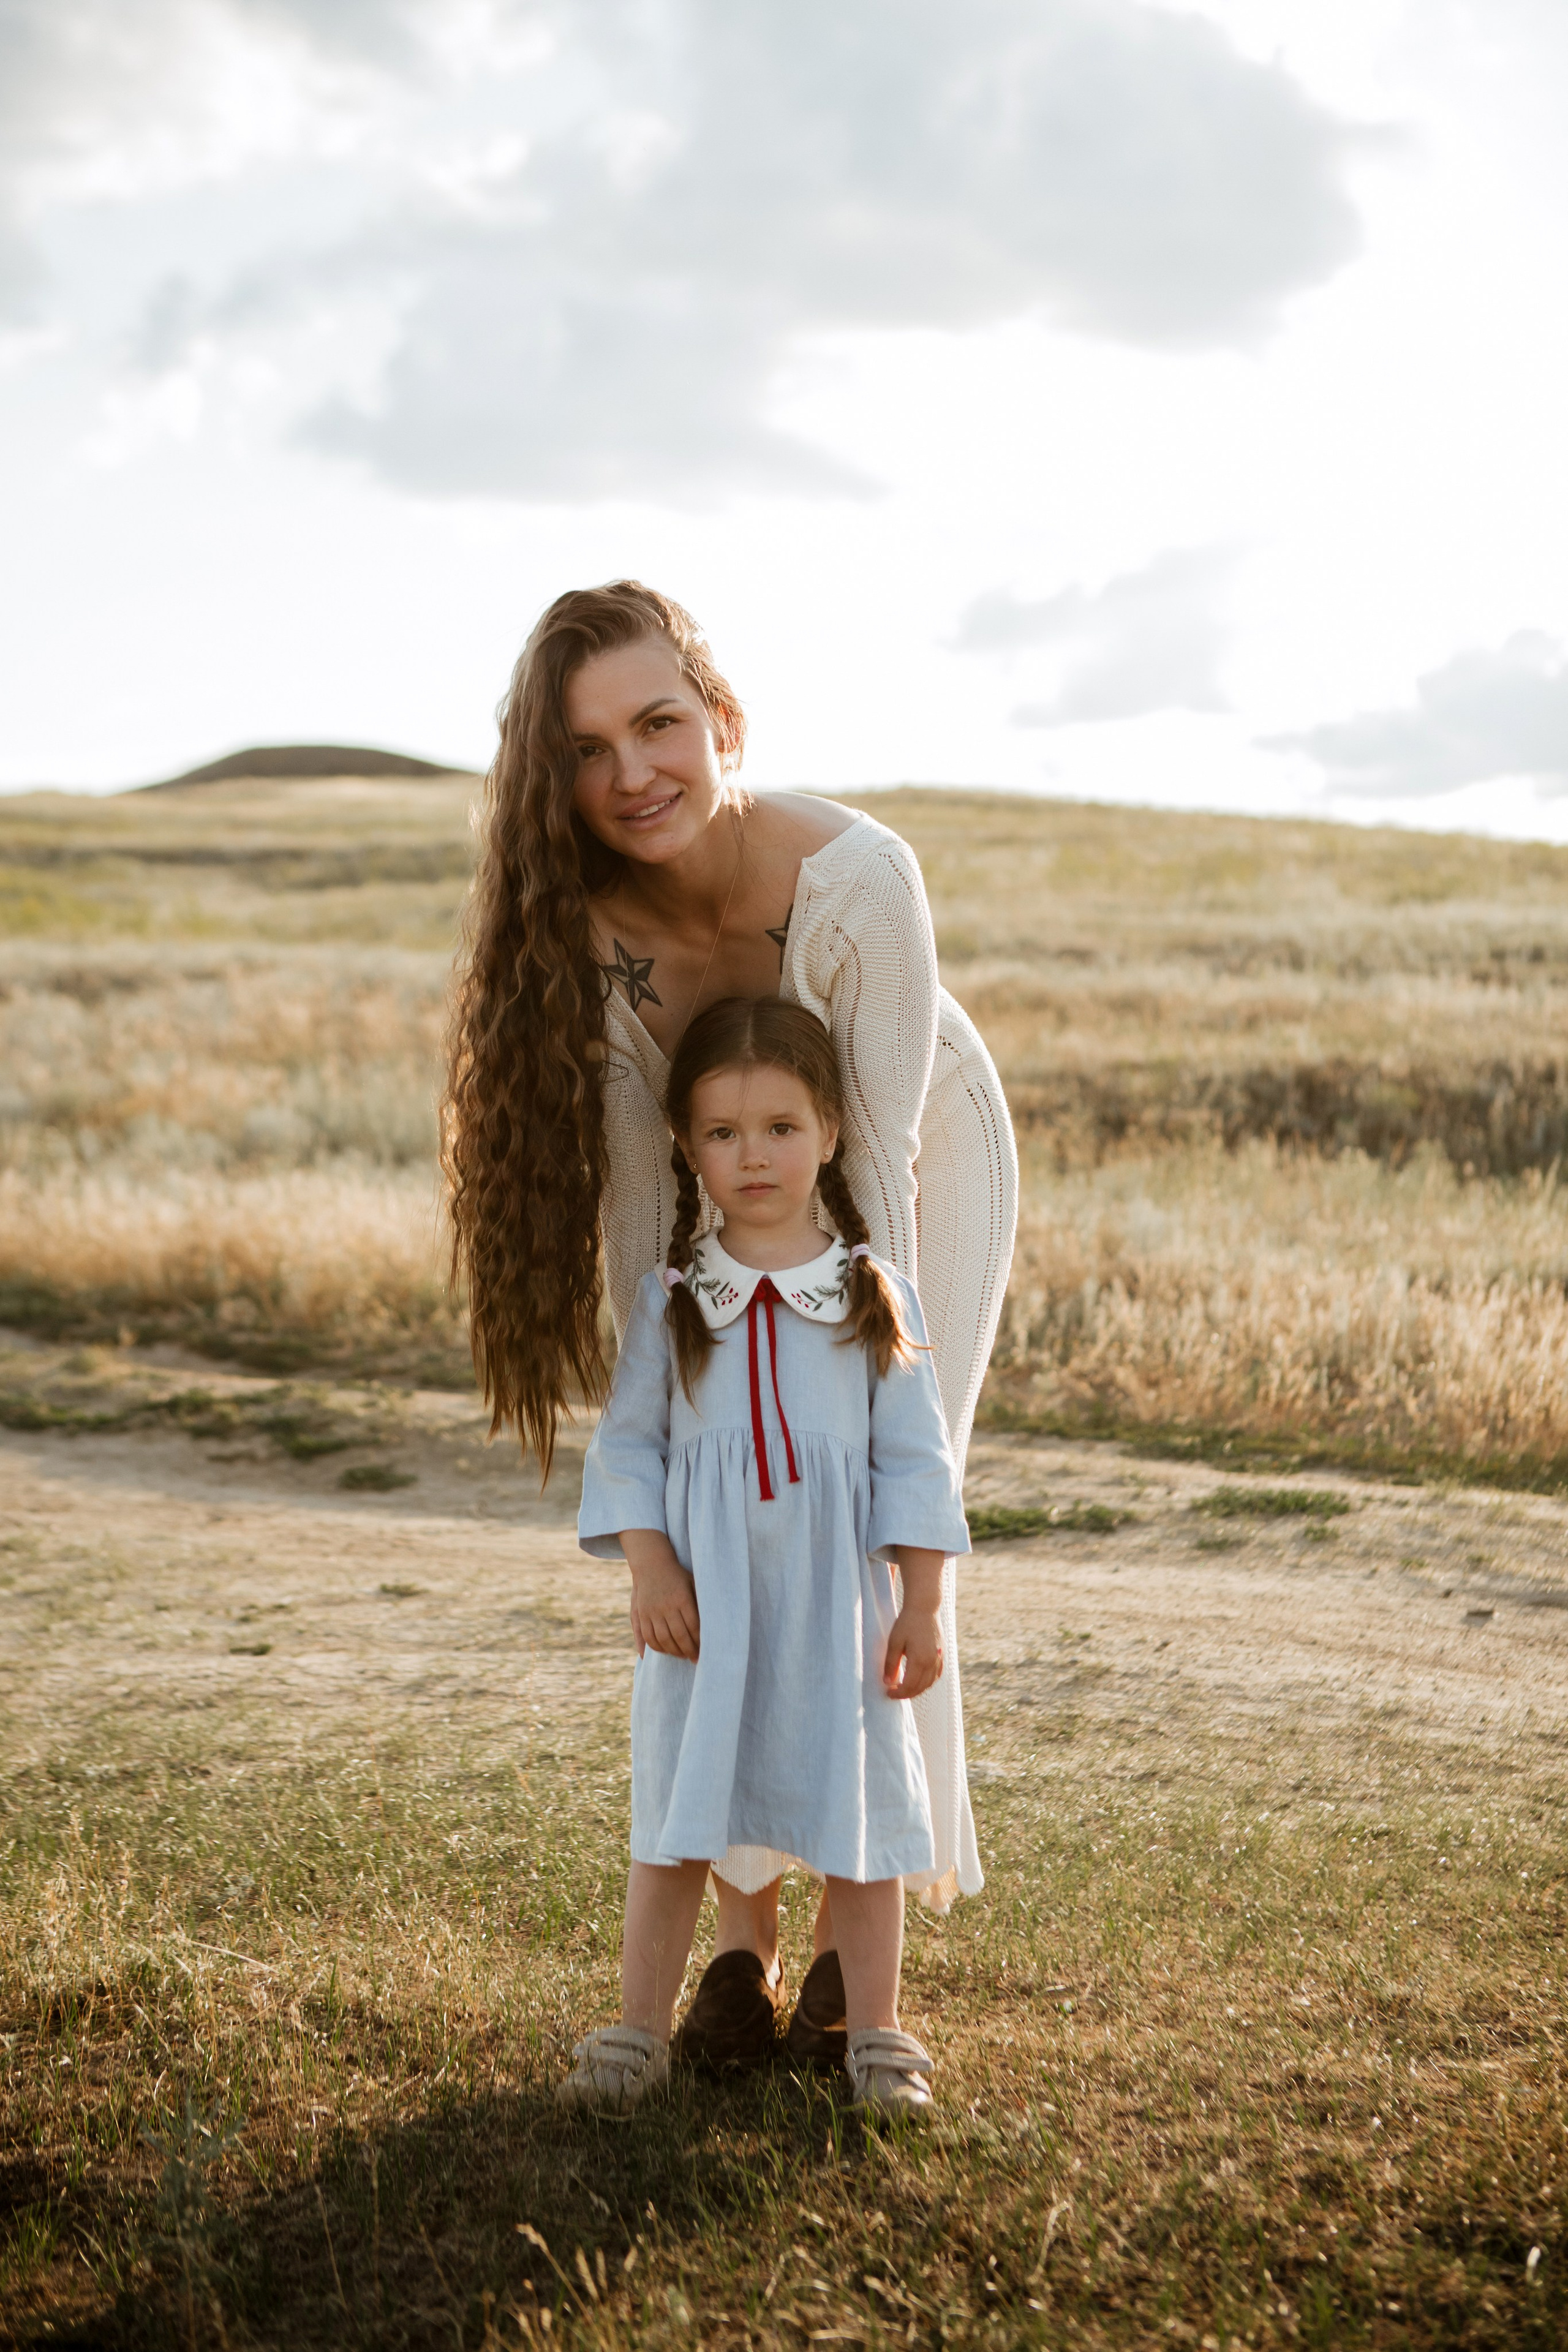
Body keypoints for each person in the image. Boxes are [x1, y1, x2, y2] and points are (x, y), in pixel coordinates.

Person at [444, 580, 1017, 2073]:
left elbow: (880, 1155)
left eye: (657, 724)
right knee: (738, 1533)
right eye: (585, 751)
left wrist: (872, 1358)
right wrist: (669, 1442)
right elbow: (648, 1212)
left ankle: (848, 1971)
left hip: (909, 1160)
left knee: (868, 1533)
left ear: (722, 722)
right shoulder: (584, 935)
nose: (631, 773)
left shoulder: (856, 874)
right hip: (728, 1176)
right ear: (548, 780)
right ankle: (737, 1967)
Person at [559, 998, 970, 2114]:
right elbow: (630, 1453)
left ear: (830, 1133)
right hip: (708, 1614)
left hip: (835, 1613)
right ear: (690, 1148)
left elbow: (917, 1467)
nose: (755, 1156)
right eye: (726, 1133)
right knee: (677, 1818)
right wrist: (652, 1568)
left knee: (864, 1820)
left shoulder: (874, 1298)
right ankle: (638, 2031)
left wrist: (922, 1605)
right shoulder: (675, 1303)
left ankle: (879, 2040)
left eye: (782, 1127)